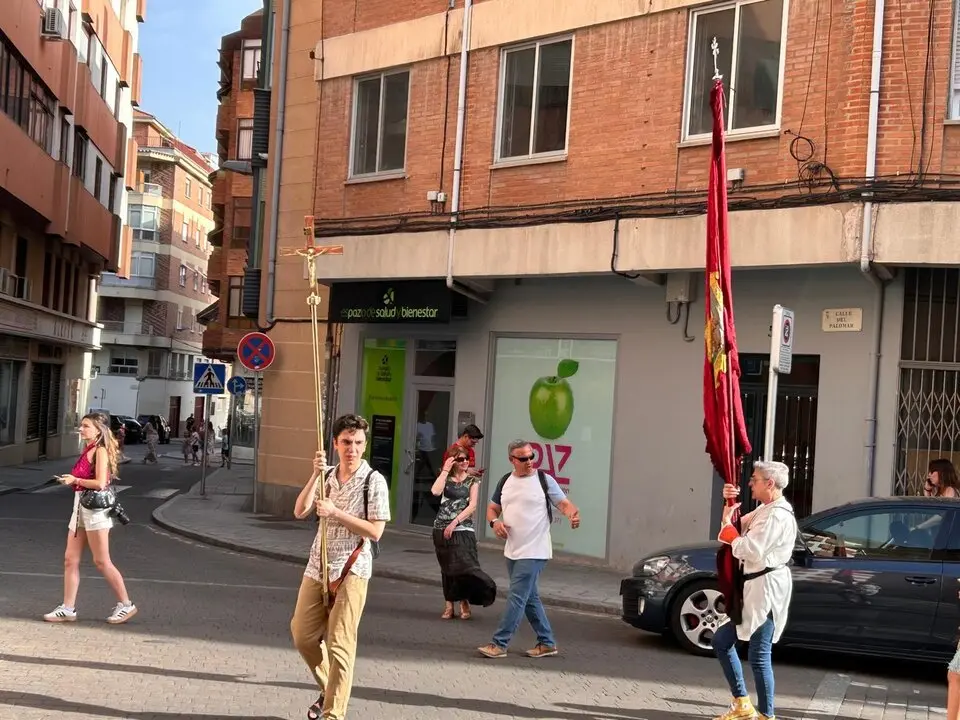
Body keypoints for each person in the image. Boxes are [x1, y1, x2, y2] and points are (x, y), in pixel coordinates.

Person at [291, 414, 390, 720]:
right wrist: (314, 474)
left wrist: (335, 511)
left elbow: (375, 532)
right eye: (346, 442)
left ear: (365, 445)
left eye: (358, 443)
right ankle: (329, 688)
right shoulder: (328, 475)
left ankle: (334, 715)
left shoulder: (374, 481)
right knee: (302, 635)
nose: (352, 449)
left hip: (352, 568)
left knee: (340, 644)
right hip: (318, 567)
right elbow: (300, 511)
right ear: (335, 444)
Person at [477, 439, 580, 659]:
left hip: (535, 550)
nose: (529, 462)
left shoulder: (544, 480)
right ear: (512, 460)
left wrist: (572, 513)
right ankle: (547, 642)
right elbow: (492, 509)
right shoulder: (505, 481)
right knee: (529, 598)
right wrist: (495, 523)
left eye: (532, 456)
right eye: (523, 458)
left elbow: (563, 503)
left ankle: (499, 643)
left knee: (516, 597)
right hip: (512, 550)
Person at [712, 461, 798, 720]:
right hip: (753, 587)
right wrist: (729, 503)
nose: (750, 483)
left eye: (755, 479)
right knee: (722, 641)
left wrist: (729, 529)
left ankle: (766, 715)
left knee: (759, 656)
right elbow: (734, 529)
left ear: (769, 484)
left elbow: (749, 548)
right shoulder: (766, 509)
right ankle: (742, 703)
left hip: (766, 590)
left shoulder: (776, 515)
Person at [43, 412, 137, 625]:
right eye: (81, 425)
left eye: (86, 426)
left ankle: (126, 604)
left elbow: (101, 483)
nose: (81, 429)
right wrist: (69, 480)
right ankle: (68, 608)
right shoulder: (88, 449)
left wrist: (75, 479)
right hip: (80, 507)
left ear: (98, 430)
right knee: (70, 559)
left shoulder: (100, 451)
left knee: (101, 561)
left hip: (95, 510)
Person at [431, 451, 493, 620]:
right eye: (461, 459)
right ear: (452, 462)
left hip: (462, 528)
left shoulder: (473, 480)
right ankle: (449, 603)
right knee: (447, 568)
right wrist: (445, 471)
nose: (465, 461)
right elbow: (435, 492)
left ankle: (465, 600)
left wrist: (454, 523)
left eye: (467, 459)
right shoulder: (445, 478)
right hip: (440, 528)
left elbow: (472, 506)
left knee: (464, 566)